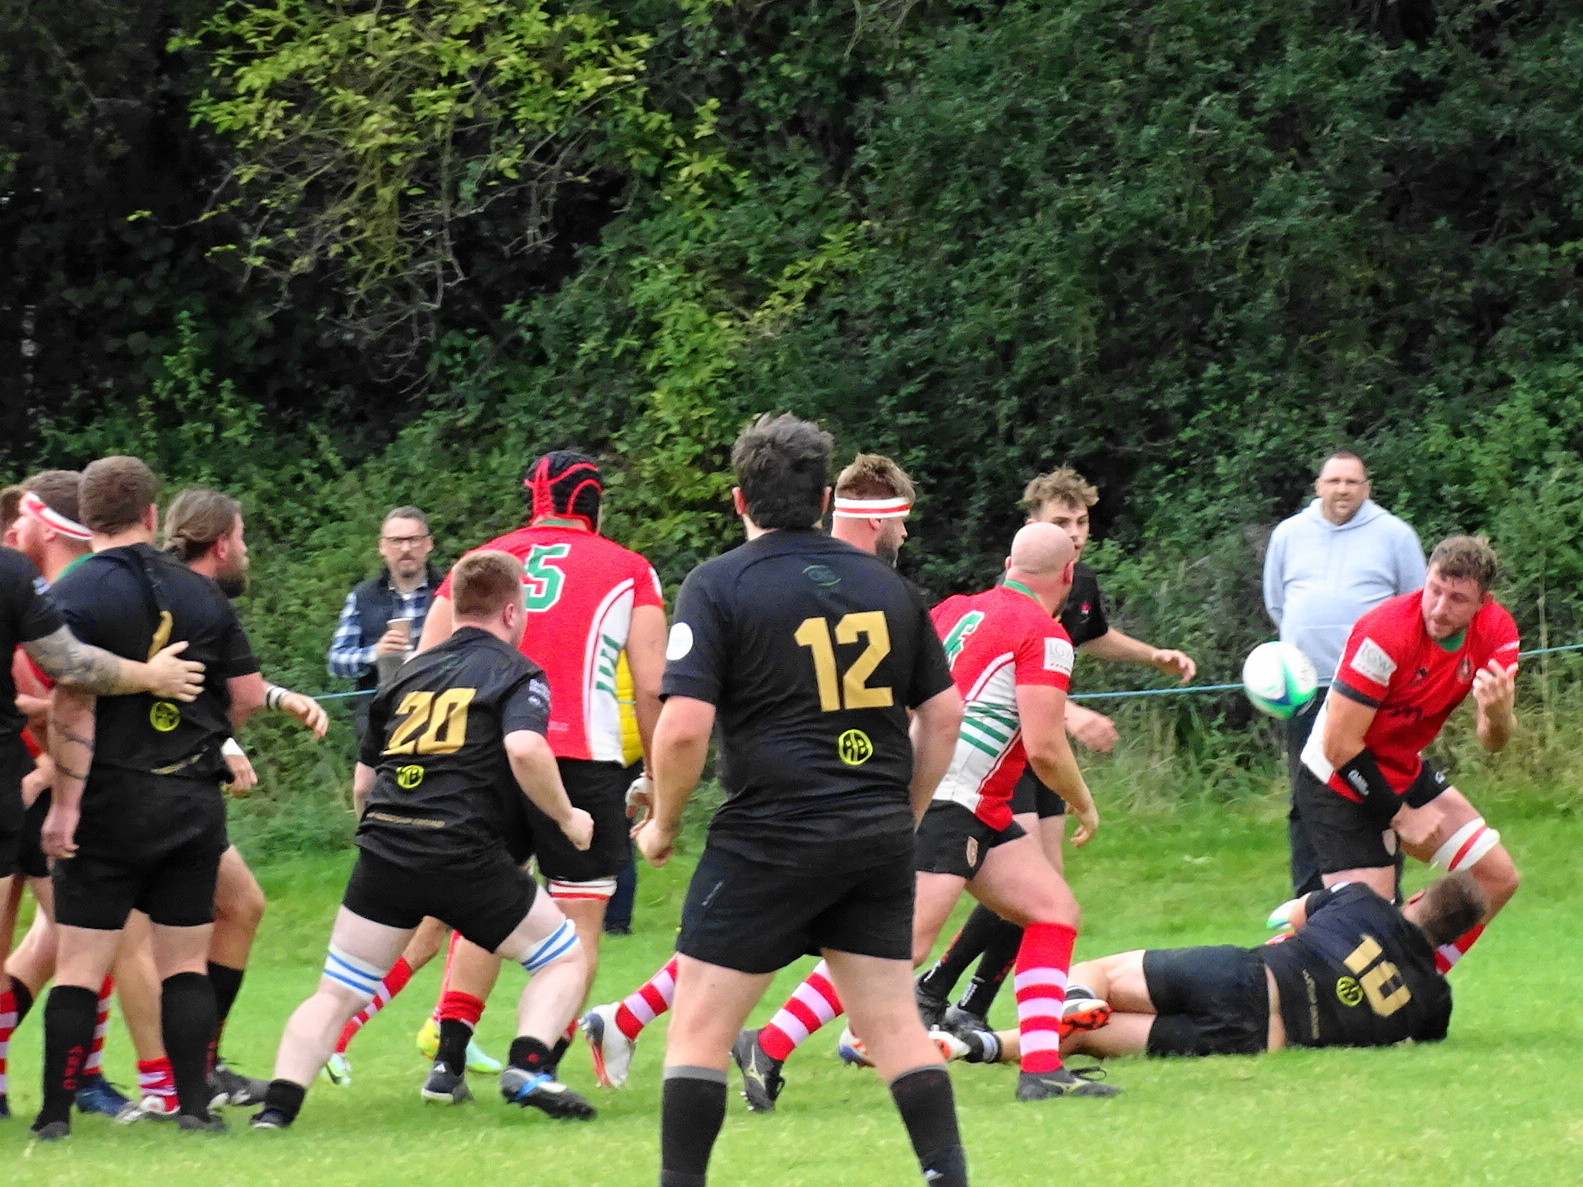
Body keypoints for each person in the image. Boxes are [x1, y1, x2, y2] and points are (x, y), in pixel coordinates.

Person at [633, 415, 970, 1187]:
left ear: (736, 498)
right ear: (824, 498)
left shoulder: (719, 583)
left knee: (698, 1029)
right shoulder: (889, 585)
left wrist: (663, 823)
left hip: (769, 833)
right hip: (875, 830)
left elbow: (683, 728)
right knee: (892, 1024)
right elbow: (943, 714)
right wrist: (906, 809)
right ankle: (947, 1177)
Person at [733, 523, 1120, 1105]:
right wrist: (1084, 803)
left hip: (956, 792)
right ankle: (767, 1042)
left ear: (1008, 562)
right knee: (902, 944)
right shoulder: (1045, 633)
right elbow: (1043, 745)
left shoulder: (953, 609)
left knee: (1053, 911)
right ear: (1068, 575)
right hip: (954, 796)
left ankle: (1041, 1069)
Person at [579, 451, 918, 1090]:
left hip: (827, 804)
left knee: (744, 941)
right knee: (792, 943)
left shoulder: (846, 584)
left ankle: (640, 1022)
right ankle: (761, 1046)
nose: (906, 536)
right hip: (818, 806)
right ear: (871, 517)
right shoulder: (846, 588)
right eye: (902, 521)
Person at [250, 550, 597, 1129]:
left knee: (336, 993)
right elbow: (525, 749)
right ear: (512, 613)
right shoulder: (516, 672)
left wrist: (382, 837)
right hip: (464, 852)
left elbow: (364, 785)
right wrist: (567, 818)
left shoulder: (406, 673)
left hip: (387, 849)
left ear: (456, 607)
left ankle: (276, 1111)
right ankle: (529, 1065)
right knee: (562, 956)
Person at [408, 450, 665, 1095]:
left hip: (485, 752)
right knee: (579, 919)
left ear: (534, 501)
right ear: (594, 504)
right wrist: (658, 775)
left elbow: (425, 662)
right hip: (580, 755)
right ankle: (540, 1061)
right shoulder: (628, 569)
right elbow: (656, 686)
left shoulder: (482, 563)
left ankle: (449, 1058)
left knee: (485, 907)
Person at [916, 465, 1197, 1032]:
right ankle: (933, 995)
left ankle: (976, 1010)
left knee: (1047, 895)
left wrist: (1152, 656)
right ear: (1033, 532)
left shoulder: (1074, 584)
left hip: (1005, 752)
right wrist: (1070, 718)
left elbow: (1086, 640)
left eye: (1082, 521)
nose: (1074, 532)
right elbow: (1002, 679)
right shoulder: (1019, 595)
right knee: (950, 919)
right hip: (991, 759)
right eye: (1061, 522)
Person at [28, 455, 252, 1140]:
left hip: (106, 801)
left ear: (87, 517)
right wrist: (207, 737)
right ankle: (193, 1107)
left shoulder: (73, 591)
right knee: (184, 959)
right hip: (188, 799)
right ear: (152, 515)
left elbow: (71, 701)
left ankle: (55, 1115)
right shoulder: (199, 591)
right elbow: (243, 695)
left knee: (79, 962)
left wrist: (65, 804)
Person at [944, 873, 1485, 1064]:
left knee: (1095, 973)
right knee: (1086, 1040)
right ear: (1452, 940)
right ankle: (979, 1047)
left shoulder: (1364, 901)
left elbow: (1286, 916)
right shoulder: (1436, 1002)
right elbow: (1420, 1040)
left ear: (1415, 897)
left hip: (1248, 976)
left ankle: (1074, 997)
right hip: (1259, 1041)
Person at [1292, 534, 1518, 975]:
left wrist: (1499, 715)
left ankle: (1421, 977)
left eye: (1457, 599)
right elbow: (1339, 745)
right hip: (1335, 778)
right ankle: (1275, 955)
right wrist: (1401, 815)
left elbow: (1493, 742)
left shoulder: (1497, 632)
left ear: (1482, 603)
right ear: (1425, 577)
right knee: (1363, 938)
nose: (1439, 608)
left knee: (1496, 878)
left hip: (1398, 769)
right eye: (1434, 589)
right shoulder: (1384, 631)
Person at [1264, 450, 1426, 896]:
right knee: (1307, 797)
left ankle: (1381, 897)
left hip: (1373, 694)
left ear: (1366, 488)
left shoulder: (1395, 535)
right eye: (1333, 481)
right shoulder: (1289, 534)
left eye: (1352, 482)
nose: (1342, 490)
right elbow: (1277, 604)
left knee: (1376, 790)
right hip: (1305, 690)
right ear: (1318, 485)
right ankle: (1310, 902)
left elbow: (1416, 610)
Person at [326, 507, 442, 737]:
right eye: (397, 541)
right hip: (379, 721)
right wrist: (375, 654)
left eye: (414, 540)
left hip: (441, 713)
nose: (406, 549)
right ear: (382, 547)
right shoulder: (362, 596)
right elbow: (336, 662)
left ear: (429, 544)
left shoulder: (449, 593)